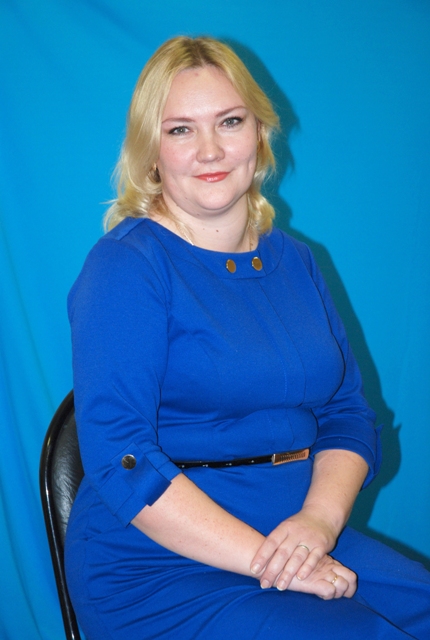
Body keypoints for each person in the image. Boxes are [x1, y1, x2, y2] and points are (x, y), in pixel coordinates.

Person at [65, 36, 430, 639]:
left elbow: (346, 415)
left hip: (295, 528)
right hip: (158, 562)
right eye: (181, 129)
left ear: (260, 133)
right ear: (150, 150)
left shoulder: (298, 260)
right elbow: (122, 460)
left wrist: (317, 524)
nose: (209, 149)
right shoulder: (127, 266)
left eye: (230, 122)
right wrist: (271, 562)